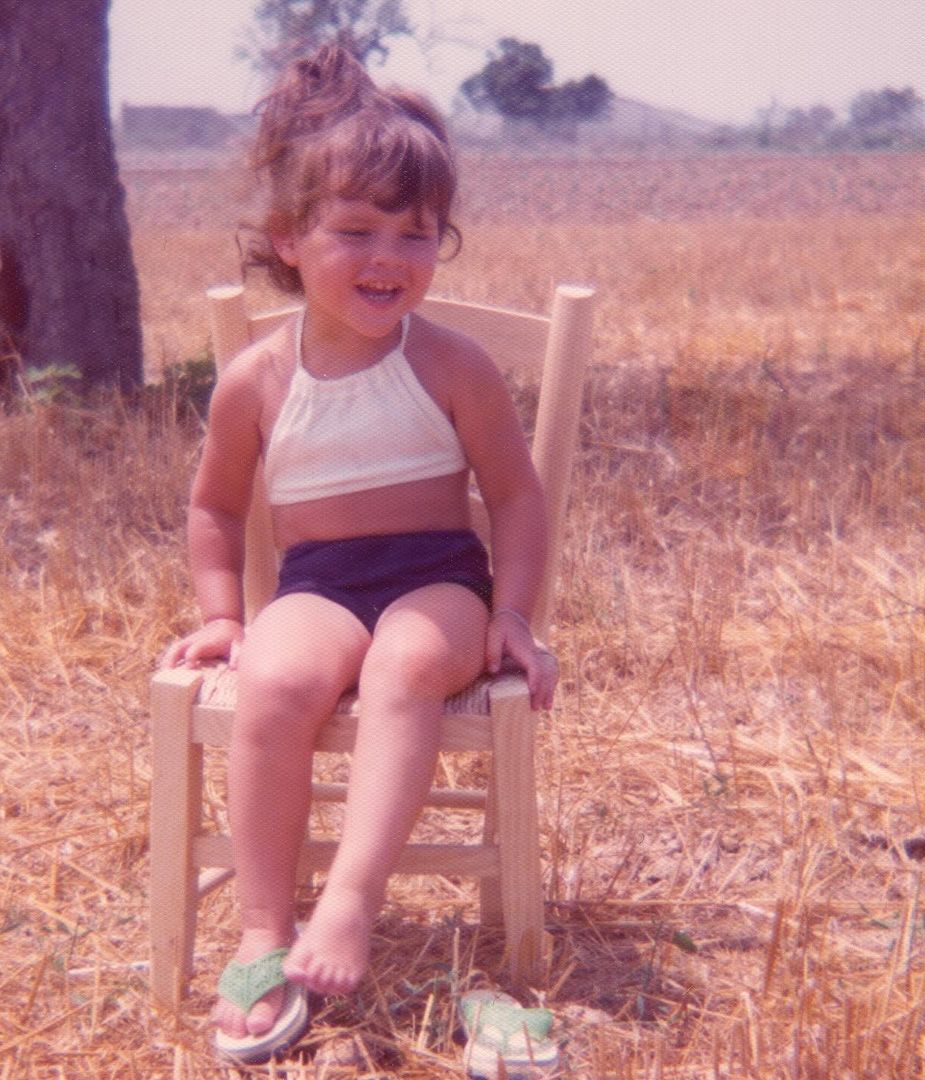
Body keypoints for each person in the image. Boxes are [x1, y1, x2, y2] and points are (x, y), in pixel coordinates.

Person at [160, 43, 559, 1063]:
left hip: (439, 580)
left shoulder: (453, 366)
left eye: (415, 234)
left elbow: (517, 496)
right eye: (356, 231)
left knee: (406, 663)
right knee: (277, 677)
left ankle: (350, 896)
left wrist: (514, 613)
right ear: (289, 241)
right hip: (319, 584)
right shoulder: (258, 380)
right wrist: (223, 615)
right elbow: (215, 507)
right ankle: (263, 926)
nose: (389, 257)